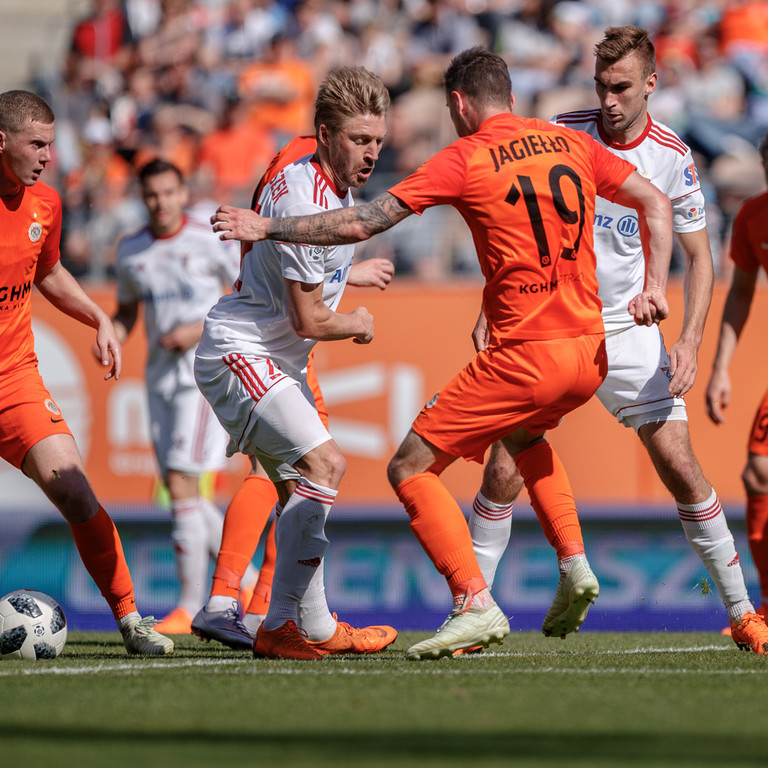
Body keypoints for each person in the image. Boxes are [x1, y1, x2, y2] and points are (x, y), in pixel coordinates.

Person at [210, 46, 674, 659]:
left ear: (458, 103)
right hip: (592, 350)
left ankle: (471, 601)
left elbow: (360, 223)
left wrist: (266, 227)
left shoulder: (465, 155)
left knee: (408, 466)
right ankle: (575, 560)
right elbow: (657, 203)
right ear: (510, 94)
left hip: (526, 354)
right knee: (526, 440)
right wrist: (656, 287)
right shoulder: (570, 141)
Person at [465, 26, 768, 655]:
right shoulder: (560, 133)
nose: (608, 99)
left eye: (622, 87)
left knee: (681, 466)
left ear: (651, 84)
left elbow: (701, 259)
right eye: (601, 86)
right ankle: (474, 609)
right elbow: (515, 226)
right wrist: (491, 304)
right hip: (550, 317)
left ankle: (743, 613)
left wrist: (688, 341)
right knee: (504, 461)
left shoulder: (671, 156)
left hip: (629, 329)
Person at [194, 66, 398, 660]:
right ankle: (278, 625)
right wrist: (357, 322)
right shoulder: (306, 193)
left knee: (300, 490)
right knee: (326, 463)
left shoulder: (327, 183)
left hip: (271, 357)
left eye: (378, 141)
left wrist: (349, 273)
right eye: (360, 140)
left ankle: (315, 626)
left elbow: (299, 268)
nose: (372, 153)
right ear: (327, 134)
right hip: (241, 351)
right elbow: (310, 320)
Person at [0, 89, 172, 655]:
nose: (50, 155)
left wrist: (97, 315)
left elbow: (45, 272)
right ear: (2, 140)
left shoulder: (44, 202)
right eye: (38, 144)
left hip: (13, 381)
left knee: (73, 488)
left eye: (52, 143)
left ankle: (129, 618)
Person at [109, 158, 258, 635]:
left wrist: (198, 329)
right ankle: (250, 584)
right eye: (152, 195)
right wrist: (110, 334)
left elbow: (248, 286)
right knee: (184, 494)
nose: (160, 203)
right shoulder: (131, 249)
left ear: (182, 192)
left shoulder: (208, 232)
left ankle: (193, 604)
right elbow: (127, 309)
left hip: (203, 374)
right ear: (143, 197)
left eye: (169, 193)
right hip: (159, 382)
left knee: (181, 487)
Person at [706, 131, 768, 631]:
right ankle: (767, 607)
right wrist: (721, 366)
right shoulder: (753, 217)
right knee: (759, 471)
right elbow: (742, 291)